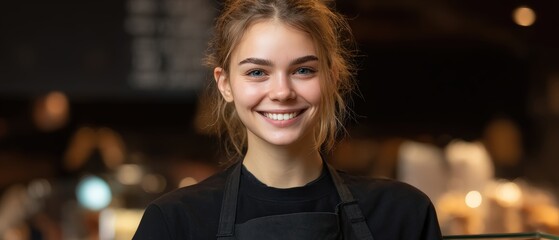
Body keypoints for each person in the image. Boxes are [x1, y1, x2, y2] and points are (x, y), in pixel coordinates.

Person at [133, 0, 442, 239]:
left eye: (303, 70)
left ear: (332, 78)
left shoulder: (403, 214)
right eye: (257, 72)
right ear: (225, 84)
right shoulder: (174, 223)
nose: (281, 92)